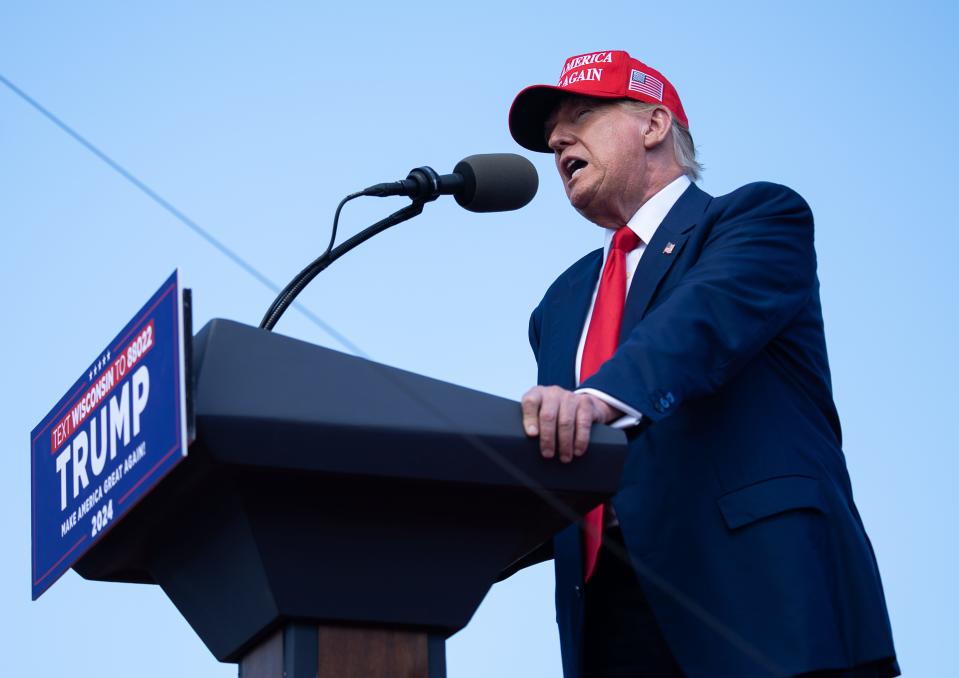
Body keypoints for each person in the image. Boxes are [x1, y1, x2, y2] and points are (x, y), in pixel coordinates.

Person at [508, 50, 899, 678]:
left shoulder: (756, 218)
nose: (557, 141)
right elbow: (554, 451)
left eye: (580, 115)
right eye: (552, 137)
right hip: (609, 628)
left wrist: (596, 400)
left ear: (655, 124)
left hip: (764, 607)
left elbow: (699, 324)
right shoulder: (558, 305)